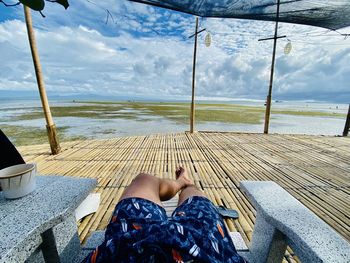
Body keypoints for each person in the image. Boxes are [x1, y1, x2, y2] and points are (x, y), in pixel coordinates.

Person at [83, 167, 246, 263]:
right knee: (193, 195)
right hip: (206, 247)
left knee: (144, 179)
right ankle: (185, 184)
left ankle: (182, 183)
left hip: (130, 244)